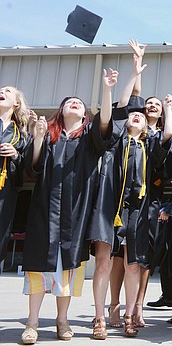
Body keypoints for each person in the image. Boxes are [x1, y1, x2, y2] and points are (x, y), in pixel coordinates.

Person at [21, 68, 118, 344]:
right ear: (60, 110)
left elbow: (105, 124)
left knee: (66, 269)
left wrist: (107, 89)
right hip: (44, 212)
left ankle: (62, 322)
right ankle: (32, 323)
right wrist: (38, 137)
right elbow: (34, 168)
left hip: (75, 214)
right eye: (68, 101)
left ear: (85, 114)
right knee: (39, 267)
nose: (74, 102)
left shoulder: (88, 139)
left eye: (79, 102)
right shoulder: (50, 136)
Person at [88, 56, 172, 339]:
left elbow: (169, 133)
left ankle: (129, 315)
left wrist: (170, 109)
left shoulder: (149, 143)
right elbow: (124, 106)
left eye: (142, 115)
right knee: (103, 262)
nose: (137, 115)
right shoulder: (114, 139)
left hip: (137, 209)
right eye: (132, 115)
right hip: (109, 206)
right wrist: (130, 76)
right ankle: (100, 316)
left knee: (133, 264)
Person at [0, 85, 30, 271]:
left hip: (4, 193)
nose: (2, 92)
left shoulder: (21, 136)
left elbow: (24, 173)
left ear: (17, 103)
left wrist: (15, 156)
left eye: (7, 91)